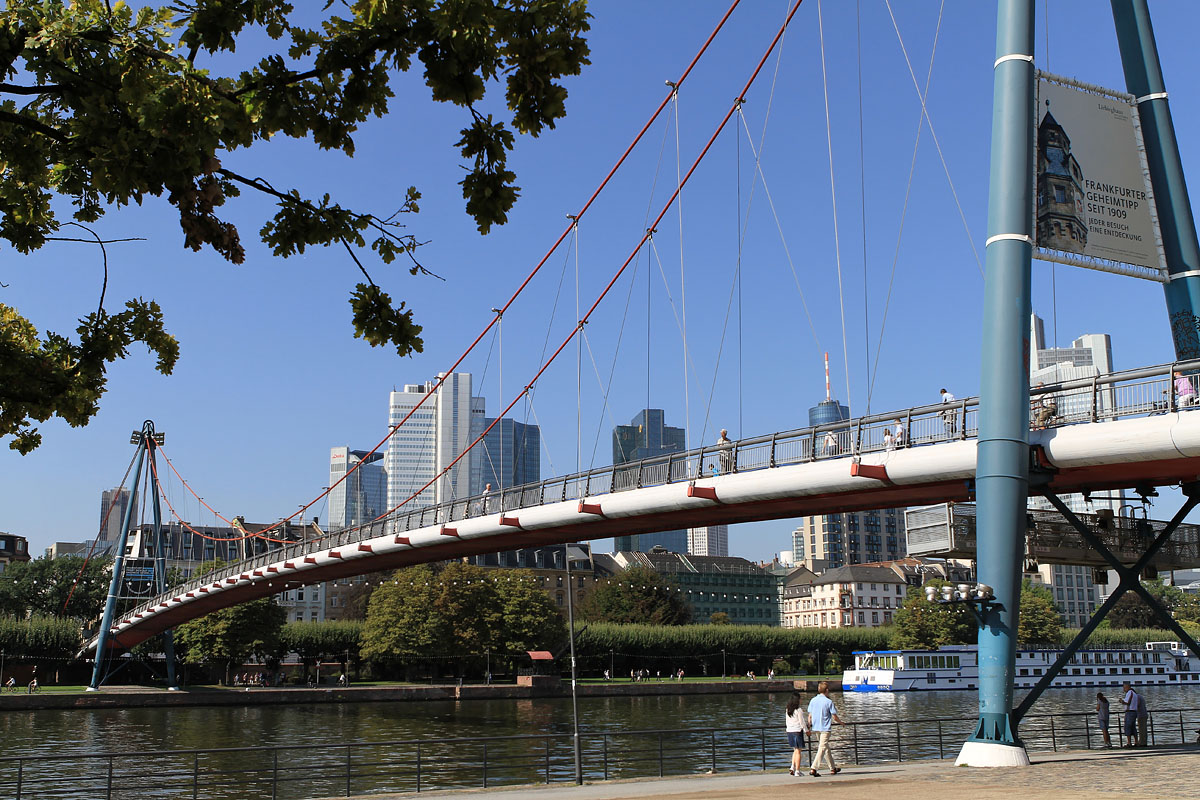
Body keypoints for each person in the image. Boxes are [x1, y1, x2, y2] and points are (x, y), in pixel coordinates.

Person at [806, 680, 843, 776]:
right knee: (822, 747)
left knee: (825, 748)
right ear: (826, 690)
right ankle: (814, 768)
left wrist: (809, 724)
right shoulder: (829, 702)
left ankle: (832, 768)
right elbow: (834, 716)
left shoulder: (813, 700)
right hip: (825, 728)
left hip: (816, 727)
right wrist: (841, 722)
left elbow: (810, 715)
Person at [785, 692, 810, 776]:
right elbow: (802, 722)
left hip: (790, 731)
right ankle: (797, 770)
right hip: (797, 731)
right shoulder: (798, 710)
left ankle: (792, 767)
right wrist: (806, 731)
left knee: (795, 750)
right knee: (798, 751)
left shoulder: (788, 709)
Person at [1120, 682, 1141, 747]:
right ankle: (1136, 742)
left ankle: (1129, 743)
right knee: (1133, 727)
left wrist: (1121, 701)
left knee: (1127, 726)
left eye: (1124, 688)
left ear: (1127, 687)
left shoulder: (1130, 693)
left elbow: (1127, 702)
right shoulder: (1135, 694)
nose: (1123, 689)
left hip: (1130, 712)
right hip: (1134, 711)